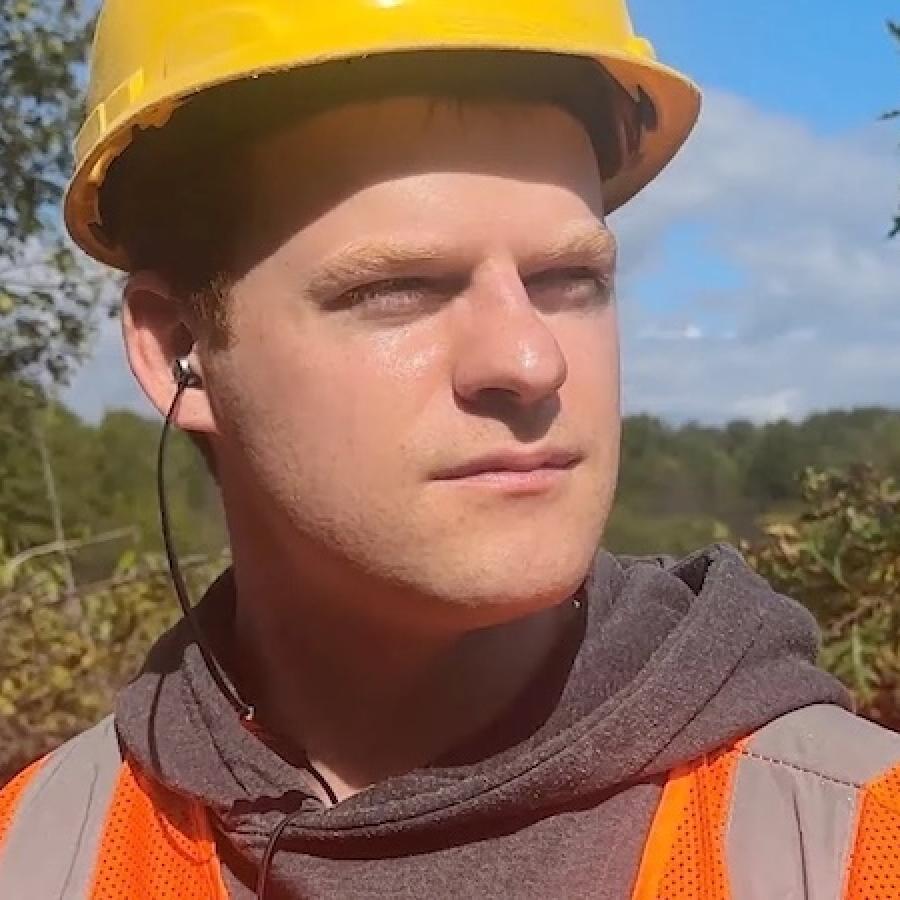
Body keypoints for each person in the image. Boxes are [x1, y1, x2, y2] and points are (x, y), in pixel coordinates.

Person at [1, 1, 898, 897]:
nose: (530, 361)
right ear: (178, 349)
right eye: (399, 289)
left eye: (570, 279)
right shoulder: (39, 854)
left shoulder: (854, 844)